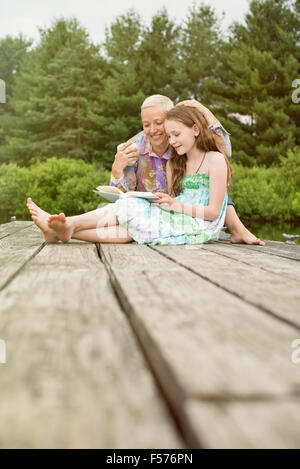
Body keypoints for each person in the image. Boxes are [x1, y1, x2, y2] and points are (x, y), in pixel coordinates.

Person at [27, 105, 231, 245]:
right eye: (170, 136)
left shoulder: (216, 160)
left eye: (176, 135)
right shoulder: (176, 163)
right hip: (178, 216)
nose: (172, 141)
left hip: (199, 224)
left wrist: (175, 205)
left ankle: (68, 225)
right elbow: (173, 200)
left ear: (195, 129)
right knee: (134, 220)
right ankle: (61, 231)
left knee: (136, 221)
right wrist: (167, 202)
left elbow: (214, 211)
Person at [109, 95, 265, 245]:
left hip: (181, 209)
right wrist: (116, 169)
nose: (152, 130)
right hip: (151, 209)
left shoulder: (182, 142)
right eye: (146, 124)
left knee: (209, 182)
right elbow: (120, 197)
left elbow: (226, 151)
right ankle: (237, 229)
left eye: (158, 123)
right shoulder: (134, 147)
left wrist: (203, 111)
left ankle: (238, 229)